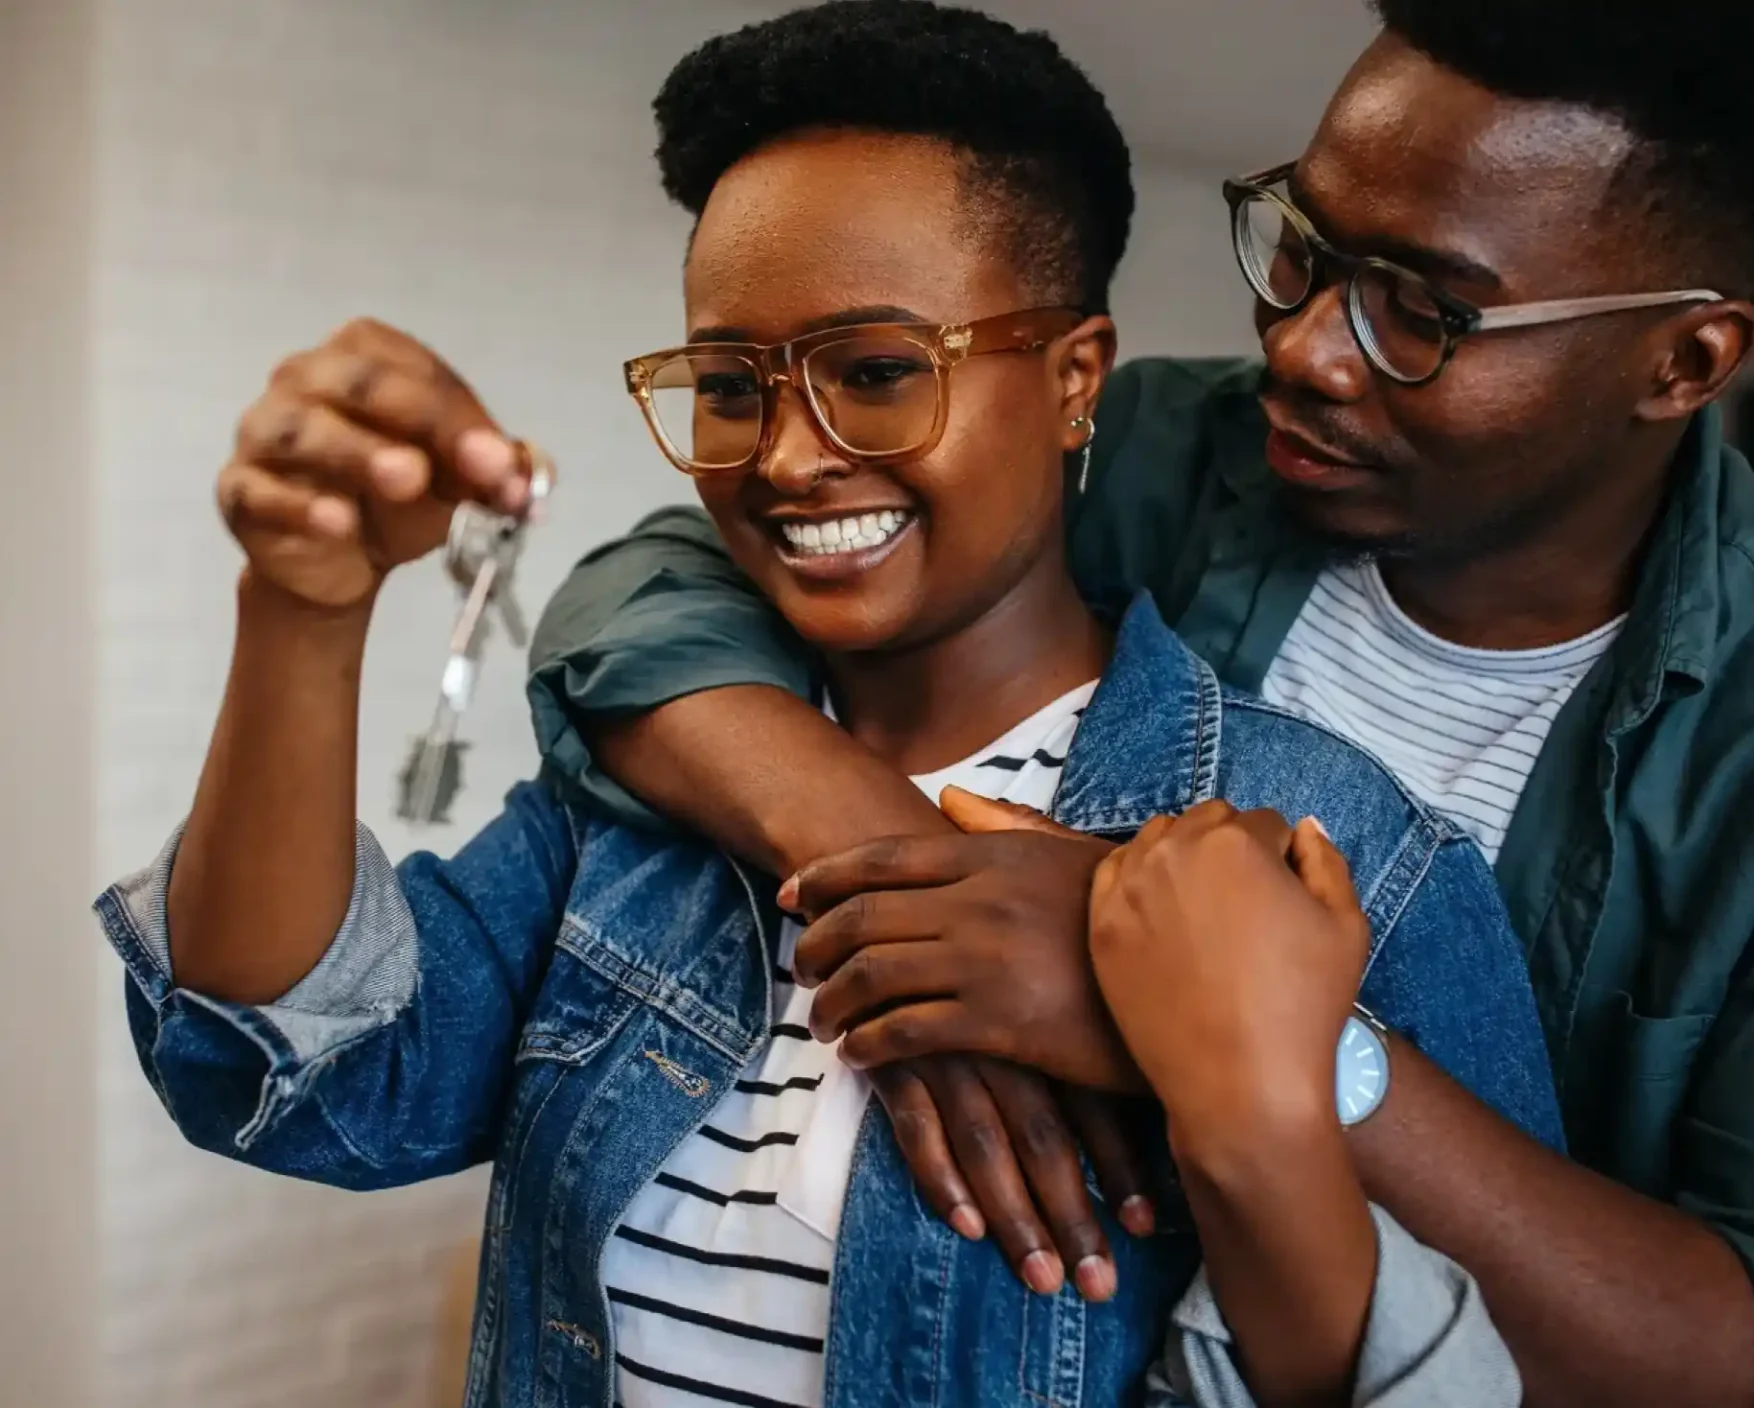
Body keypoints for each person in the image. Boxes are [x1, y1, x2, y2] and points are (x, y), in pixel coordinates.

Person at [95, 5, 1564, 1406]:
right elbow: (306, 1058)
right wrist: (302, 612)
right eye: (729, 386)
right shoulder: (635, 820)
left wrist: (1244, 1086)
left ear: (1073, 381)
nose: (789, 458)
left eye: (874, 373)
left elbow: (1485, 1366)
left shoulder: (1343, 856)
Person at [523, 1, 1754, 1405]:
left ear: (1684, 362)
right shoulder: (1151, 457)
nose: (1305, 350)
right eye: (1303, 249)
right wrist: (887, 858)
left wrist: (1247, 1035)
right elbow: (645, 592)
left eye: (1422, 312)